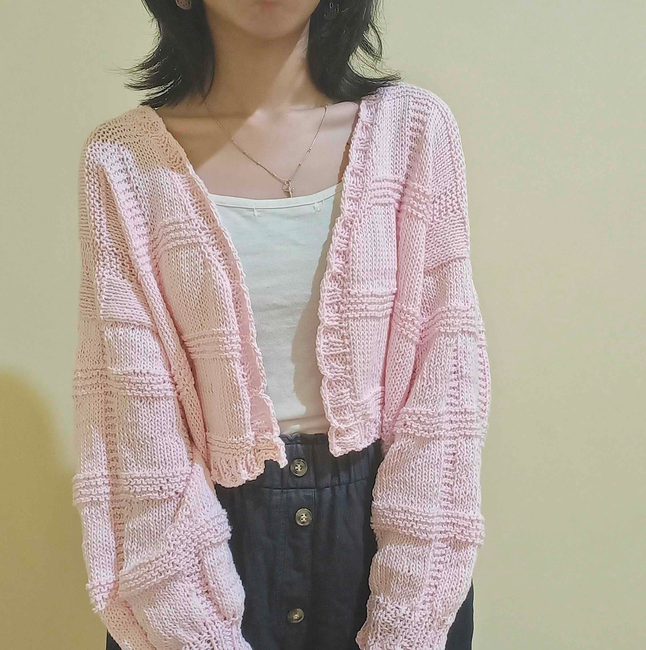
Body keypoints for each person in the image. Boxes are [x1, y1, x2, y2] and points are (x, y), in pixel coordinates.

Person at [72, 1, 491, 649]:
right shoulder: (123, 162)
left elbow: (447, 385)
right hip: (201, 542)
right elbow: (134, 412)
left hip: (388, 535)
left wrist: (409, 611)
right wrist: (190, 623)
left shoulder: (412, 132)